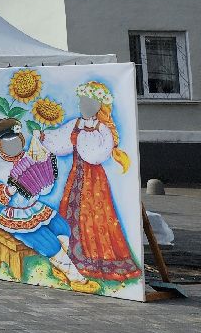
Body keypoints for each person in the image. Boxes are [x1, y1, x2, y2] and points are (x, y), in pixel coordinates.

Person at [42, 80, 142, 284]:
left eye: (87, 103)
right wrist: (44, 137)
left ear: (98, 106)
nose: (82, 107)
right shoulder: (76, 124)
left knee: (95, 216)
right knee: (72, 213)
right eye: (81, 103)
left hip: (94, 180)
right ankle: (74, 258)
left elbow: (94, 155)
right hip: (76, 176)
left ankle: (98, 259)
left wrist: (80, 138)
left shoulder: (102, 129)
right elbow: (60, 141)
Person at [0, 117, 99, 293]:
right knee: (49, 243)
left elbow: (44, 189)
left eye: (15, 142)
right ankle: (76, 278)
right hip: (15, 216)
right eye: (7, 143)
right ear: (0, 145)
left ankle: (58, 265)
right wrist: (8, 190)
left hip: (34, 208)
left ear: (21, 140)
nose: (12, 147)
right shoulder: (0, 167)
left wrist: (46, 179)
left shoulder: (30, 157)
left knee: (63, 228)